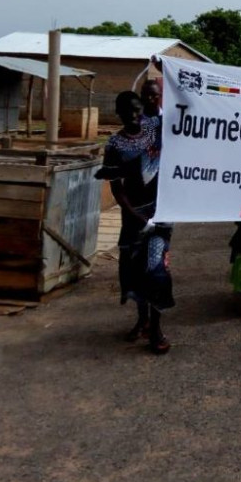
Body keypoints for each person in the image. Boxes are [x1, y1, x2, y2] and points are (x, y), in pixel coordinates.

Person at [95, 90, 173, 354]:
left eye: (138, 110)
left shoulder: (155, 128)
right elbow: (117, 189)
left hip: (160, 213)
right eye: (128, 111)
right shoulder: (115, 145)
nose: (135, 116)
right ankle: (144, 319)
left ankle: (157, 330)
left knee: (157, 270)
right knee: (135, 271)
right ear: (118, 113)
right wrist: (138, 217)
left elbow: (186, 118)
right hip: (134, 216)